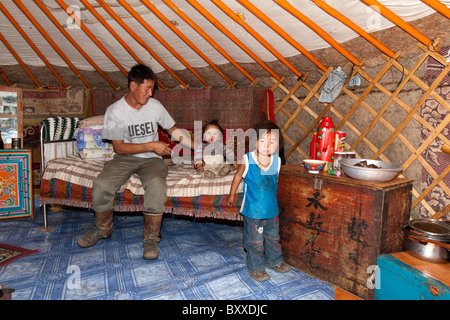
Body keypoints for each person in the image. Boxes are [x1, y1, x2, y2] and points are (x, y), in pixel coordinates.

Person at [77, 64, 192, 260]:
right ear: (132, 85)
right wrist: (150, 145)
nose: (150, 93)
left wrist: (197, 146)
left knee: (156, 184)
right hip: (124, 158)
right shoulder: (115, 111)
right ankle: (102, 228)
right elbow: (119, 147)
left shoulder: (155, 106)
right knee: (102, 184)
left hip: (151, 161)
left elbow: (173, 130)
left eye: (152, 89)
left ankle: (151, 238)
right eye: (147, 89)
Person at [226, 120, 291, 281]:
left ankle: (274, 260)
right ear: (255, 141)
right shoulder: (248, 159)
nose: (267, 145)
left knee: (273, 237)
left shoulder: (277, 161)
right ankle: (255, 267)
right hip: (253, 210)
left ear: (279, 144)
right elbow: (237, 176)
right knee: (255, 240)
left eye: (272, 142)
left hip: (271, 209)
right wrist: (232, 194)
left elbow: (274, 184)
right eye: (262, 141)